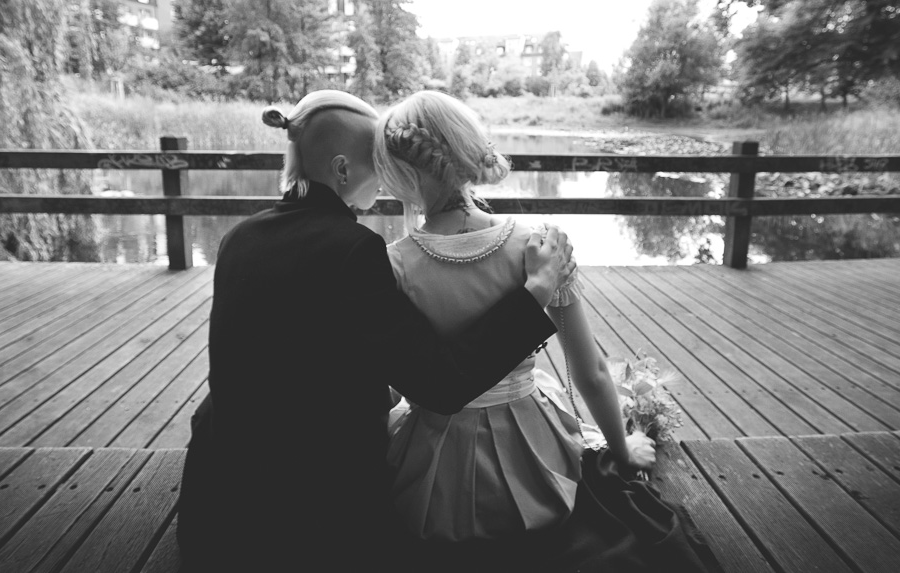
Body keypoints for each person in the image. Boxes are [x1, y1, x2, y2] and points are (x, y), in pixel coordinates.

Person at [175, 90, 576, 571]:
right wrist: (535, 291)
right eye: (377, 161)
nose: (388, 179)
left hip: (216, 500)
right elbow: (441, 385)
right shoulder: (353, 249)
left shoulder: (239, 237)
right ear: (343, 170)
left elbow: (301, 357)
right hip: (307, 518)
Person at [376, 90, 720, 573]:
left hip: (434, 479)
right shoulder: (540, 247)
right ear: (467, 150)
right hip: (535, 461)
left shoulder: (393, 265)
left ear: (402, 172)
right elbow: (590, 371)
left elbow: (393, 384)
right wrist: (622, 451)